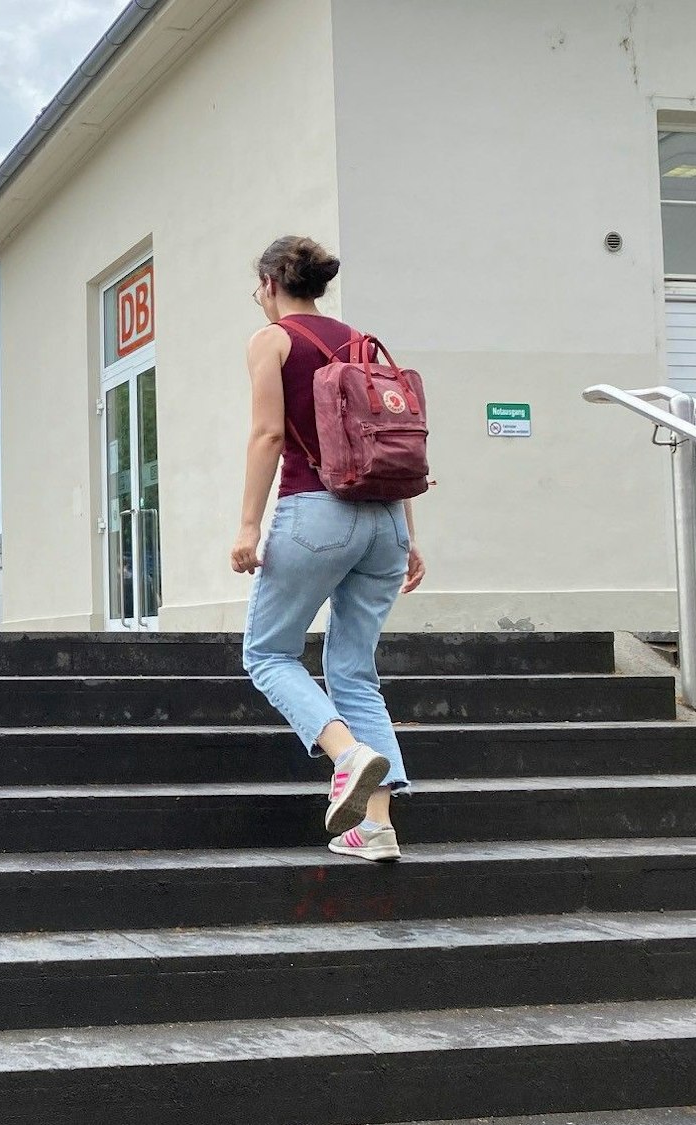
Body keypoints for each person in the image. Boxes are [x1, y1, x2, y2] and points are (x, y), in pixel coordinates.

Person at [231, 236, 426, 864]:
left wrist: (246, 526)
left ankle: (345, 755)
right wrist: (410, 538)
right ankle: (375, 828)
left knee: (267, 654)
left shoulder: (273, 339)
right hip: (386, 519)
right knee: (353, 670)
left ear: (269, 282)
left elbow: (266, 433)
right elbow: (390, 443)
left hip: (317, 512)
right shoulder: (364, 342)